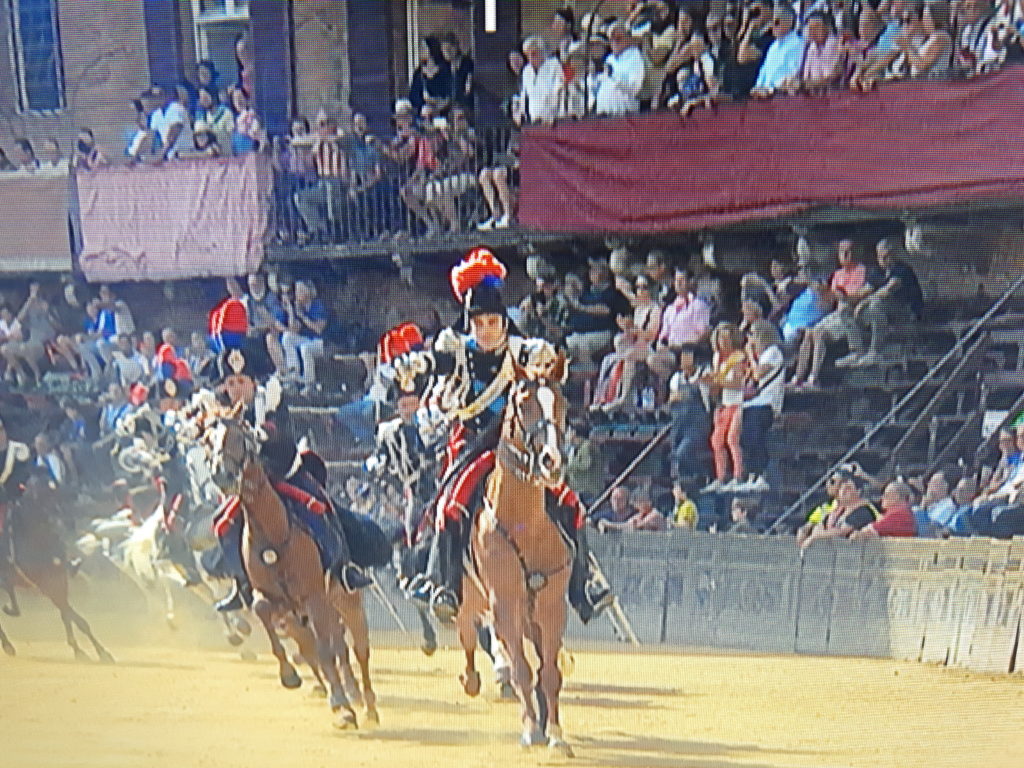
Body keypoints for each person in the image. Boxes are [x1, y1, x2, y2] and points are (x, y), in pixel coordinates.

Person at [392, 247, 611, 624]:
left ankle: (583, 584)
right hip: (472, 443)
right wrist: (417, 364)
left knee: (570, 502)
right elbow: (436, 363)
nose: (487, 330)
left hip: (515, 445)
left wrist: (546, 357)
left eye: (493, 322)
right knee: (451, 504)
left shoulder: (519, 350)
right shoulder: (457, 350)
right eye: (479, 323)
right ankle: (444, 585)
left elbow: (542, 365)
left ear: (504, 322)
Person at [210, 349, 373, 613]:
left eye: (242, 381)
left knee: (320, 508)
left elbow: (282, 434)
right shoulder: (225, 417)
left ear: (253, 382)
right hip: (251, 488)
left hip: (285, 473)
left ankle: (343, 568)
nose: (237, 388)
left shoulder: (272, 401)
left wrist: (262, 434)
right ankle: (241, 584)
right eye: (230, 383)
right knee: (223, 525)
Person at [851, 481, 918, 539]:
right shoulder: (897, 511)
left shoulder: (901, 513)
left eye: (885, 494)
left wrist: (859, 533)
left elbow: (870, 530)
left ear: (895, 496)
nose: (882, 498)